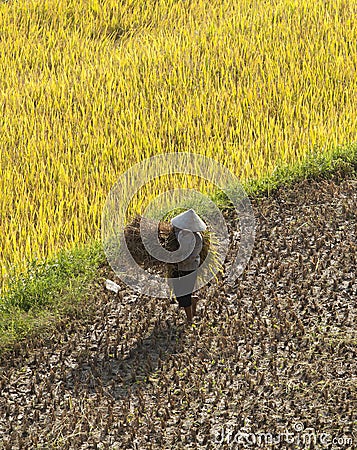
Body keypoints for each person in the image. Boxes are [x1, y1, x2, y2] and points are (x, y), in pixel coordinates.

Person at [170, 208, 207, 324]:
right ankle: (193, 300)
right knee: (178, 295)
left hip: (188, 268)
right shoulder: (181, 233)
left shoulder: (196, 239)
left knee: (183, 295)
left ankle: (189, 320)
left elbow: (188, 257)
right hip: (178, 267)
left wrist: (176, 261)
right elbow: (175, 232)